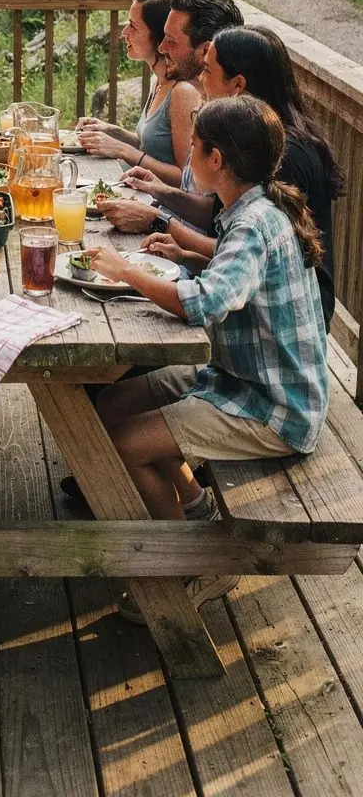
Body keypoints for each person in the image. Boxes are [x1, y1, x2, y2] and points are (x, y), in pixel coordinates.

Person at [83, 95, 329, 619]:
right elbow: (234, 277)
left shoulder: (254, 223)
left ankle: (193, 566)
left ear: (216, 159)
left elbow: (206, 303)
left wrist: (126, 272)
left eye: (193, 146)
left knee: (125, 445)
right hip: (235, 375)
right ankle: (196, 510)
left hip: (273, 406)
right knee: (110, 405)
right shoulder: (254, 205)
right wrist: (184, 254)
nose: (189, 154)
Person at [128, 26, 344, 329]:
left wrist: (158, 223)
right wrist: (162, 196)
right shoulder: (249, 139)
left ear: (238, 85)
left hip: (289, 317)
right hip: (244, 290)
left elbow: (250, 251)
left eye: (207, 70)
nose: (201, 81)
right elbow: (224, 230)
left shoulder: (280, 154)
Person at [96, 0, 244, 233]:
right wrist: (157, 189)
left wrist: (157, 216)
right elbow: (196, 195)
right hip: (167, 223)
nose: (163, 49)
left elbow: (187, 181)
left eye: (133, 26)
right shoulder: (175, 87)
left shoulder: (188, 94)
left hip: (170, 229)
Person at [76, 0, 200, 184]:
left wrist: (122, 150)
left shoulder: (182, 92)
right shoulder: (159, 81)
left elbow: (185, 179)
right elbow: (152, 147)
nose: (124, 33)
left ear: (159, 36)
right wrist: (110, 130)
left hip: (159, 205)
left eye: (133, 26)